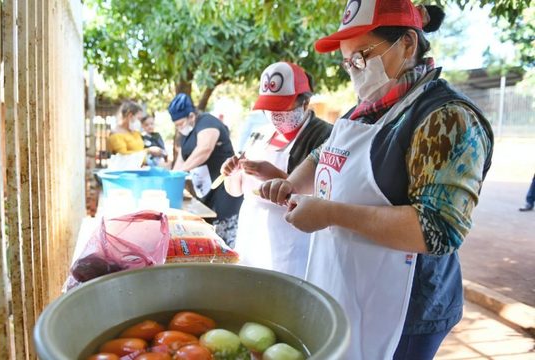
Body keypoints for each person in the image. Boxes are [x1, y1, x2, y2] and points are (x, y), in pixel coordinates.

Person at [259, 1, 493, 359]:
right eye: (347, 61)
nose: (353, 70)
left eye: (361, 57)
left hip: (409, 307)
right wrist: (291, 183)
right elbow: (323, 153)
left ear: (407, 44)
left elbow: (439, 229)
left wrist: (331, 214)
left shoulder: (446, 118)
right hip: (348, 282)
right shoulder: (364, 109)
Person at [221, 62, 332, 278]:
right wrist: (231, 173)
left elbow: (323, 196)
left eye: (282, 108)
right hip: (252, 233)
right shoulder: (259, 134)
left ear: (305, 102)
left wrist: (274, 176)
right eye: (269, 108)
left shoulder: (323, 136)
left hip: (293, 242)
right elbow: (234, 191)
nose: (274, 115)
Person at [169, 93, 243, 247]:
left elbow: (204, 149)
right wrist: (171, 182)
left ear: (191, 116)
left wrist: (180, 172)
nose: (179, 128)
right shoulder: (186, 136)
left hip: (225, 188)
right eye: (176, 125)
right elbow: (180, 162)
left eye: (180, 123)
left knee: (224, 238)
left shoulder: (207, 122)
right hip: (206, 191)